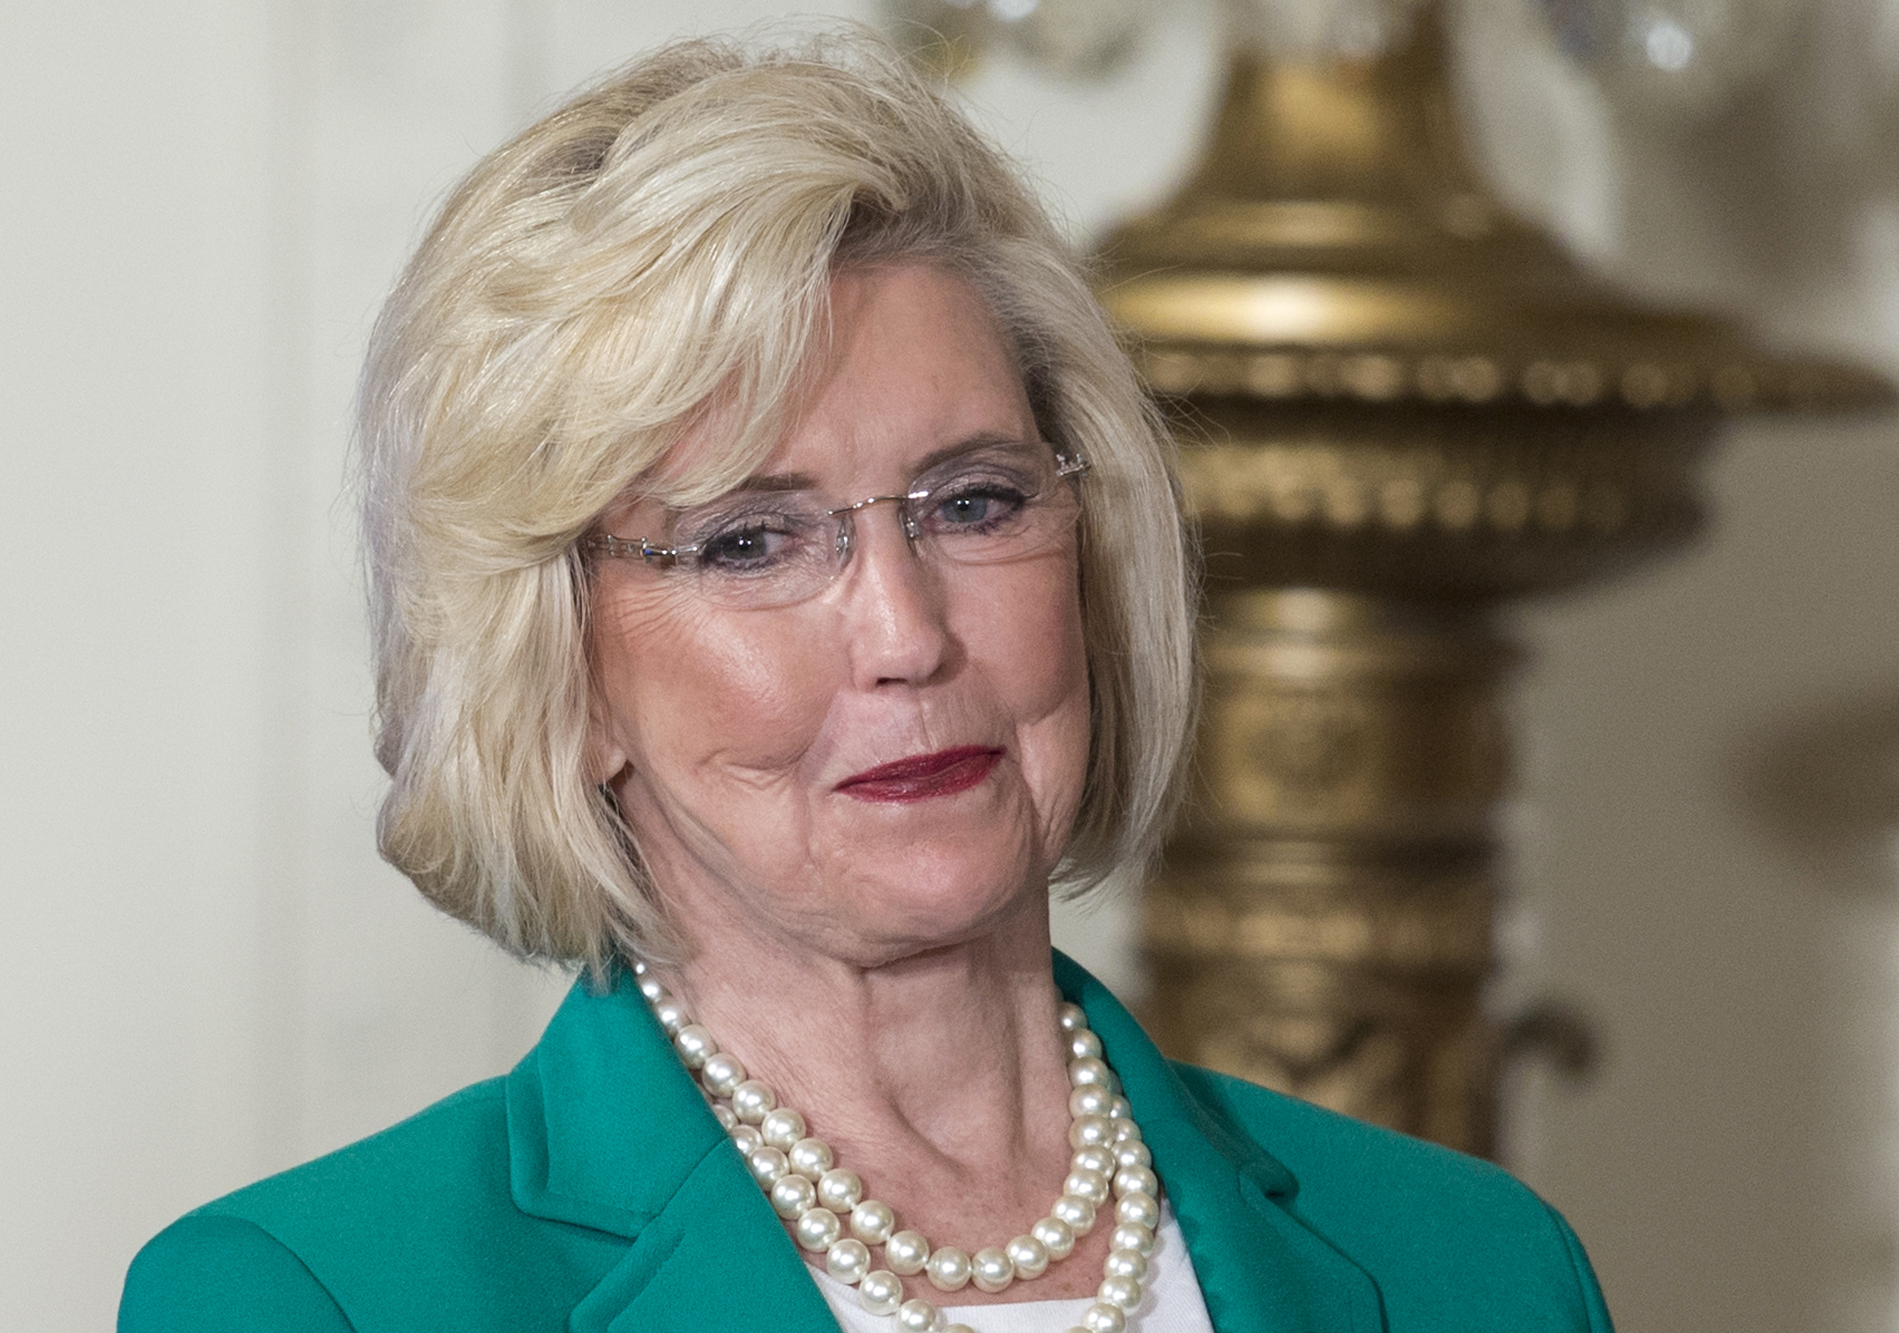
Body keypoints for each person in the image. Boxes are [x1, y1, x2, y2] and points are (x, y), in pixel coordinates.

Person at [119, 31, 1613, 1333]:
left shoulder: (1477, 1267)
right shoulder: (316, 1300)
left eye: (973, 502)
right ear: (556, 666)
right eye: (754, 539)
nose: (907, 631)